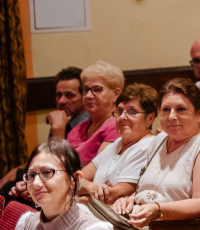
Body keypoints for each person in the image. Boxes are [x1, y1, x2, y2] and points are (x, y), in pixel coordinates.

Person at [111, 78, 200, 230]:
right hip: (137, 224)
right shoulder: (159, 141)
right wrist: (129, 199)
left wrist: (157, 210)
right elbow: (149, 187)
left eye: (180, 109)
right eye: (166, 110)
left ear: (199, 113)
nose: (171, 116)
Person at [1, 66, 89, 203]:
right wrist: (18, 169)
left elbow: (59, 167)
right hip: (41, 175)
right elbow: (44, 156)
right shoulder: (62, 117)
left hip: (62, 187)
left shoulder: (87, 125)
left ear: (84, 96)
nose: (61, 101)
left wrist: (58, 130)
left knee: (11, 197)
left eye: (70, 95)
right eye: (59, 95)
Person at [78, 83, 165, 205]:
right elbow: (74, 180)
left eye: (132, 112)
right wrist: (91, 188)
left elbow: (112, 196)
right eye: (119, 111)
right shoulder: (116, 144)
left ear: (149, 118)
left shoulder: (147, 146)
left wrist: (80, 197)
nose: (122, 117)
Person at [65, 61, 123, 167]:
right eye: (85, 89)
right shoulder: (76, 130)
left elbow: (99, 170)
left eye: (97, 89)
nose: (88, 95)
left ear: (116, 94)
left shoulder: (118, 126)